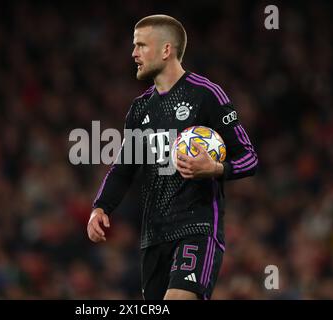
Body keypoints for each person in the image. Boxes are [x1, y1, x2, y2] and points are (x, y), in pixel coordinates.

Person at [87, 14, 258, 300]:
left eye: (141, 45)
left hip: (197, 228)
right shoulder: (139, 109)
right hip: (153, 237)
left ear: (166, 50)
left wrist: (215, 168)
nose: (133, 53)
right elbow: (124, 168)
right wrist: (100, 208)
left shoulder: (207, 95)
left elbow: (249, 158)